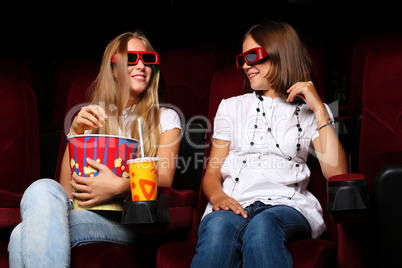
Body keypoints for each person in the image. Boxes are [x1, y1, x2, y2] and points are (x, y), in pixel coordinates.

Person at [8, 31, 182, 267]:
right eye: (131, 58)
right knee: (42, 188)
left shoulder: (165, 117)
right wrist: (76, 134)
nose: (141, 65)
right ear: (113, 69)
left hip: (128, 220)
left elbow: (165, 177)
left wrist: (119, 186)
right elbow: (65, 190)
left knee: (21, 234)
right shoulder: (93, 117)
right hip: (84, 210)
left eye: (147, 59)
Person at [191, 21, 348, 268]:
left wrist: (318, 108)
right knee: (217, 226)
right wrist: (219, 196)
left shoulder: (313, 111)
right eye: (242, 58)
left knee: (263, 226)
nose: (245, 65)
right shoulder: (231, 106)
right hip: (235, 202)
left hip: (287, 206)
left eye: (252, 56)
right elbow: (212, 173)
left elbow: (337, 173)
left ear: (279, 54)